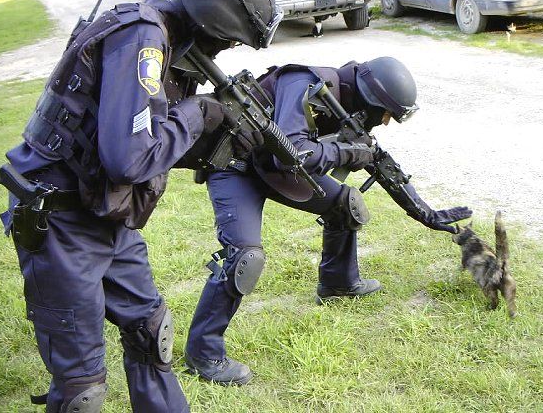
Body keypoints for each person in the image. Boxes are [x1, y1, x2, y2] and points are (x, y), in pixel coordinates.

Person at [0, 0, 282, 413]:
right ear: (212, 21)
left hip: (107, 213)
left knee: (152, 331)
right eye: (230, 40)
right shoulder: (142, 37)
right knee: (82, 391)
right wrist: (198, 114)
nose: (226, 50)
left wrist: (222, 138)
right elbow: (129, 158)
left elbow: (146, 143)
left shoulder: (168, 46)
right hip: (61, 219)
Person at [183, 56, 472, 386]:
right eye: (388, 114)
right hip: (236, 167)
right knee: (244, 259)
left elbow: (381, 163)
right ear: (372, 101)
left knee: (346, 205)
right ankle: (203, 354)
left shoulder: (344, 107)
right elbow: (290, 151)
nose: (387, 122)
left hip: (276, 169)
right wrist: (349, 153)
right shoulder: (303, 82)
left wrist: (426, 213)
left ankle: (337, 283)